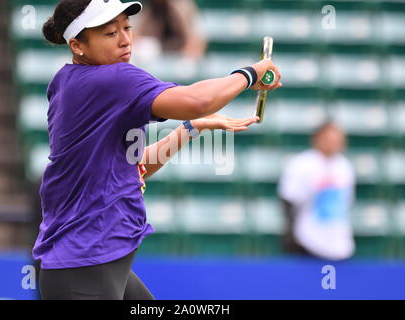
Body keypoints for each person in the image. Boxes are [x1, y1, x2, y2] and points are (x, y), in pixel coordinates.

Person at [34, 0, 282, 300]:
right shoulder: (113, 79)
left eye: (126, 28)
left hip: (89, 263)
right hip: (86, 268)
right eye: (110, 34)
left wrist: (191, 129)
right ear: (77, 45)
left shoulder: (68, 79)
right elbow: (197, 100)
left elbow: (133, 168)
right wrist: (249, 74)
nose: (126, 40)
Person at [277, 121, 356, 261]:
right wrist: (292, 236)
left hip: (338, 239)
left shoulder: (345, 166)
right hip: (307, 239)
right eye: (329, 139)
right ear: (317, 139)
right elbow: (289, 200)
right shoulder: (302, 164)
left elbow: (346, 202)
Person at [132, 0, 208, 60]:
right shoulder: (148, 7)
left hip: (180, 54)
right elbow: (135, 36)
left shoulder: (182, 6)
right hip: (155, 53)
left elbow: (196, 40)